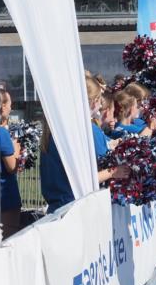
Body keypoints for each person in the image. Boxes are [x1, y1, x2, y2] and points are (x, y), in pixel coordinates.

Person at [40, 77, 129, 213]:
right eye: (99, 100)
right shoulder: (74, 133)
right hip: (72, 208)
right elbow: (83, 179)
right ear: (93, 102)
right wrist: (113, 172)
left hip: (59, 208)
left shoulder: (57, 130)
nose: (100, 105)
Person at [0, 90, 22, 238]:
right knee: (8, 239)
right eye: (10, 105)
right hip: (5, 196)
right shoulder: (1, 133)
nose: (11, 109)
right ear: (3, 106)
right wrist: (17, 150)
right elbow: (12, 167)